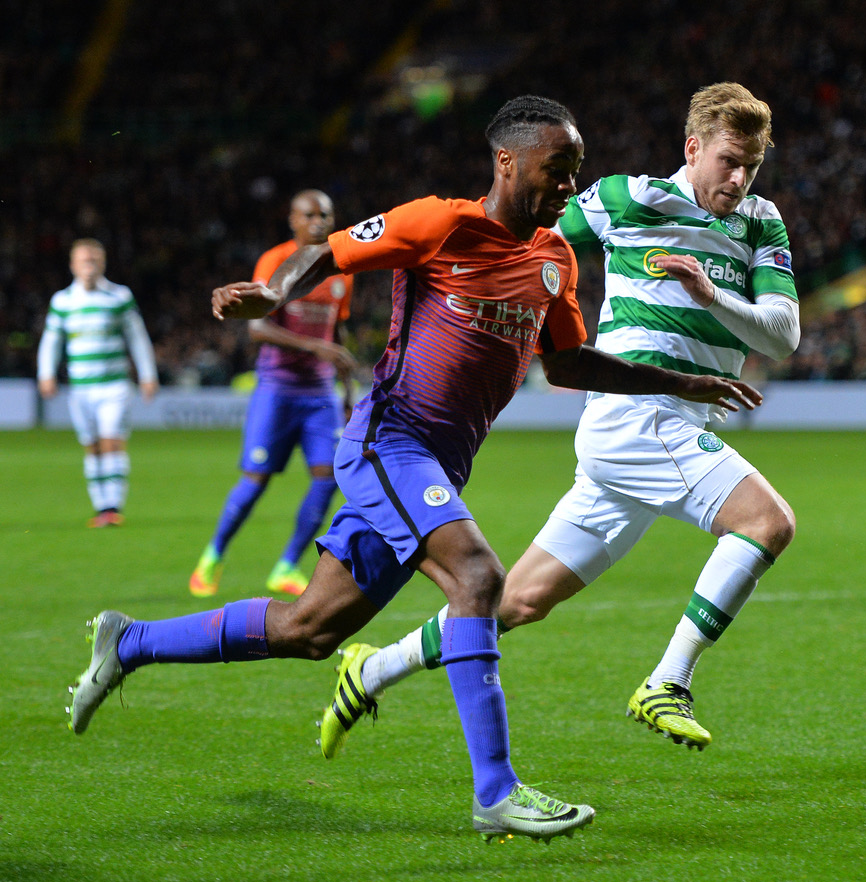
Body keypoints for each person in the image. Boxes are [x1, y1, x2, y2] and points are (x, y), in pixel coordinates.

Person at [66, 95, 761, 842]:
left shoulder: (554, 260)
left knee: (310, 629)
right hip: (388, 443)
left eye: (576, 173)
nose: (568, 187)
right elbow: (331, 250)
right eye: (557, 170)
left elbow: (565, 363)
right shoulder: (442, 221)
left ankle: (128, 641)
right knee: (478, 577)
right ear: (508, 160)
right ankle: (496, 793)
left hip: (436, 465)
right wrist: (274, 293)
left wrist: (681, 381)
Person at [318, 82, 799, 759]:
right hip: (637, 418)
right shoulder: (626, 198)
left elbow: (780, 337)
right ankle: (669, 680)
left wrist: (708, 292)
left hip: (670, 428)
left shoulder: (760, 221)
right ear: (693, 148)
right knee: (767, 523)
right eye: (728, 159)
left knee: (516, 602)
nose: (739, 177)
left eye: (751, 164)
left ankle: (371, 670)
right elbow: (522, 239)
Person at [189, 190, 357, 599]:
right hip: (278, 388)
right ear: (292, 220)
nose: (318, 221)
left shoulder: (342, 270)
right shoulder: (274, 259)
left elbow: (337, 332)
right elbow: (257, 328)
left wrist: (348, 390)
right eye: (309, 214)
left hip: (319, 393)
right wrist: (314, 348)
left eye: (325, 214)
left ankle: (286, 565)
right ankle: (212, 556)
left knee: (329, 476)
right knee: (257, 478)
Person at [37, 238, 158, 527]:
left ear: (102, 264)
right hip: (81, 388)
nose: (89, 266)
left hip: (114, 385)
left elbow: (137, 338)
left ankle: (113, 506)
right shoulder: (63, 301)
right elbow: (52, 341)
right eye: (83, 261)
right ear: (73, 265)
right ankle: (100, 506)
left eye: (94, 260)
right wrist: (46, 373)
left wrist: (147, 375)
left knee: (111, 440)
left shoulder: (118, 296)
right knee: (91, 446)